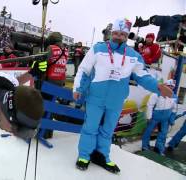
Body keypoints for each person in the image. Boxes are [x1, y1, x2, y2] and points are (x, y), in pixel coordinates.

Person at [73, 18, 173, 173]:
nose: (118, 36)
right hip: (95, 97)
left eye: (122, 34)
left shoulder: (133, 55)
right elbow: (84, 70)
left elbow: (142, 76)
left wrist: (158, 86)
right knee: (90, 127)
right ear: (111, 33)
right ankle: (85, 155)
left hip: (116, 100)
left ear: (126, 36)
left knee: (108, 130)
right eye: (116, 33)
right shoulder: (98, 49)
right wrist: (78, 88)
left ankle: (102, 156)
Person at [141, 79, 177, 155]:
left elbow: (174, 109)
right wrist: (149, 116)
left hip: (165, 119)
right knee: (148, 131)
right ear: (165, 86)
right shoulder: (156, 93)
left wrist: (172, 119)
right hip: (155, 117)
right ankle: (144, 146)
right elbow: (150, 105)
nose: (170, 88)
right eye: (169, 86)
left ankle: (159, 148)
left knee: (163, 133)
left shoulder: (174, 96)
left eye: (172, 86)